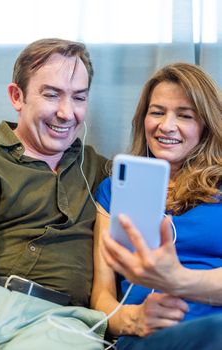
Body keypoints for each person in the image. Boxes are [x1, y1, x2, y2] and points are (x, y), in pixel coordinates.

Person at [0, 38, 110, 350]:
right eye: (51, 95)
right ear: (18, 96)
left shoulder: (97, 168)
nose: (67, 113)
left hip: (62, 324)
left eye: (79, 98)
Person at [91, 62, 222, 349]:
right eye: (157, 112)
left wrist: (179, 280)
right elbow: (101, 298)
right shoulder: (113, 191)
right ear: (143, 118)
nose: (166, 126)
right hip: (147, 335)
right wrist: (132, 318)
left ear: (206, 125)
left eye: (185, 115)